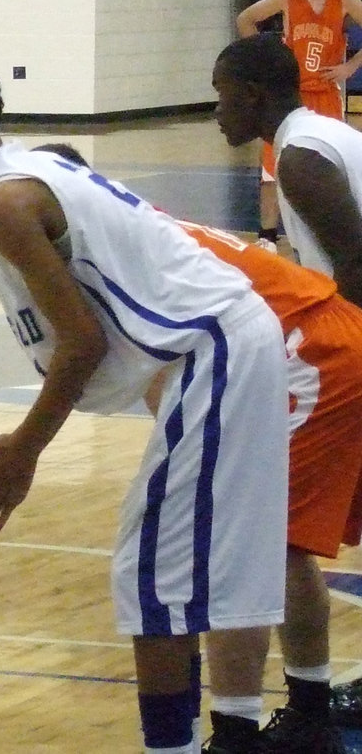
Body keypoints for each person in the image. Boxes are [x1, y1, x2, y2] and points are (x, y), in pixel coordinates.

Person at [0, 56, 290, 754]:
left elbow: (82, 344)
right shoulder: (27, 174)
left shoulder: (4, 202)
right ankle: (232, 733)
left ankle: (176, 745)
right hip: (221, 346)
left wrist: (25, 450)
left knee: (151, 576)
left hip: (215, 349)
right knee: (208, 566)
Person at [38, 143, 361, 754]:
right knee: (278, 543)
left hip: (310, 354)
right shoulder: (132, 222)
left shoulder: (104, 249)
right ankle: (309, 714)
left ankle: (250, 729)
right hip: (330, 337)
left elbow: (171, 365)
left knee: (245, 544)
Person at [214, 34, 362, 308]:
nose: (217, 109)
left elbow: (356, 267)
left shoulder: (301, 158)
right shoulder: (308, 136)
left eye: (222, 93)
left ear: (251, 94)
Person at [235, 0, 362, 250]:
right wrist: (267, 59)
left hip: (326, 95)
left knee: (326, 166)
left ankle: (328, 232)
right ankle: (267, 235)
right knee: (271, 165)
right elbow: (245, 20)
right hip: (288, 96)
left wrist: (350, 66)